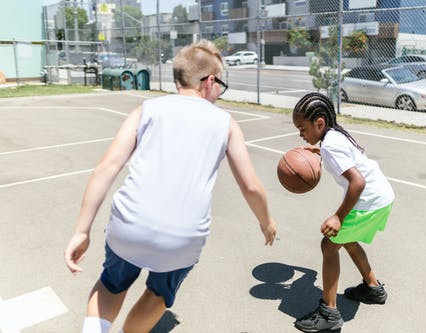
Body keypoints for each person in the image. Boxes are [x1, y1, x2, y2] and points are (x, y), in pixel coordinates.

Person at [64, 40, 277, 333]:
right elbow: (251, 186)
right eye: (221, 85)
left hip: (130, 224)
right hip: (183, 237)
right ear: (209, 81)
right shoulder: (225, 122)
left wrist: (81, 231)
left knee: (112, 284)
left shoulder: (147, 109)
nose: (220, 92)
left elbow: (107, 167)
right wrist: (267, 223)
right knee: (159, 294)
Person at [292, 93, 394, 332]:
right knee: (347, 241)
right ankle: (373, 288)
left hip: (368, 201)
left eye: (302, 128)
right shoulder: (335, 135)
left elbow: (357, 182)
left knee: (328, 246)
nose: (300, 134)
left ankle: (329, 313)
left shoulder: (330, 146)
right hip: (383, 197)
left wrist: (338, 216)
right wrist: (319, 153)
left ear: (319, 123)